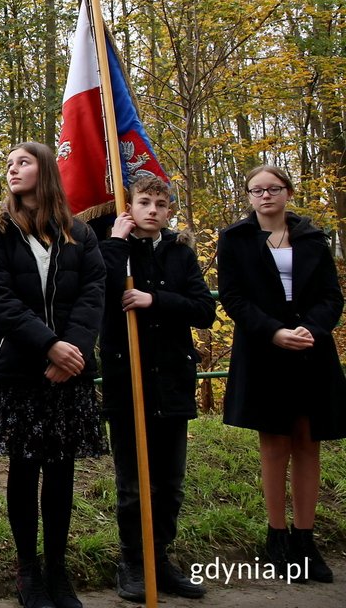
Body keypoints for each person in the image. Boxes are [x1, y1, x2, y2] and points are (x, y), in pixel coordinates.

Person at [0, 141, 106, 608]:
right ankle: (27, 571)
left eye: (23, 161)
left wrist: (70, 350)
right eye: (9, 163)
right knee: (23, 468)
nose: (12, 169)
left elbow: (93, 294)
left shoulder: (79, 232)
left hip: (68, 372)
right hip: (17, 369)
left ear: (46, 170)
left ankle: (58, 570)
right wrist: (47, 344)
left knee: (61, 472)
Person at [218, 164, 346, 583]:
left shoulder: (312, 238)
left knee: (309, 442)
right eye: (257, 190)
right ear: (249, 197)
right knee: (274, 442)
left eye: (273, 188)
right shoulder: (235, 240)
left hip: (311, 349)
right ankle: (277, 537)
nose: (265, 196)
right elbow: (233, 299)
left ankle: (306, 540)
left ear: (287, 193)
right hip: (263, 351)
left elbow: (332, 295)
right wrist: (274, 332)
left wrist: (312, 328)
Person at [99, 174, 215, 602]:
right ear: (129, 207)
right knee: (132, 483)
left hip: (172, 382)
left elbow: (204, 310)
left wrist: (154, 299)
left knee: (170, 482)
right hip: (126, 380)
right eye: (144, 202)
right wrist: (115, 240)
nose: (152, 210)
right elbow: (102, 293)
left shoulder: (180, 254)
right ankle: (132, 561)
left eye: (160, 204)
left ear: (169, 210)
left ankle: (161, 559)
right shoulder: (113, 250)